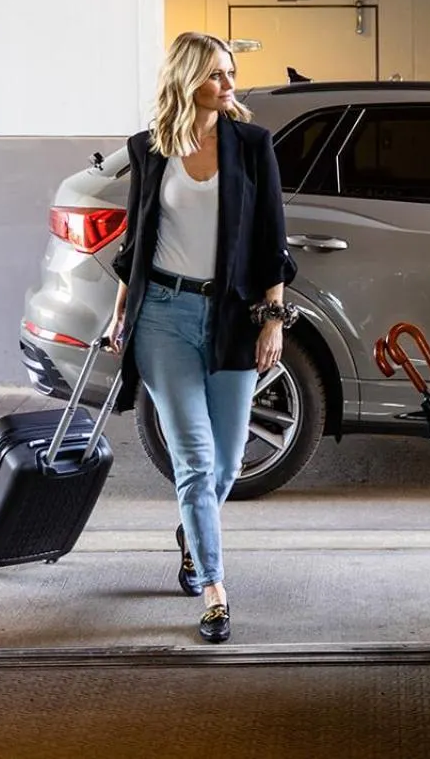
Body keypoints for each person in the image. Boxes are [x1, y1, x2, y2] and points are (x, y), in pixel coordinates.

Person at [103, 31, 296, 644]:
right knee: (194, 458)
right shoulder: (150, 148)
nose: (229, 86)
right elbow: (137, 245)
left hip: (233, 318)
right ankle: (214, 588)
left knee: (230, 459)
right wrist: (120, 314)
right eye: (217, 75)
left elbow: (272, 240)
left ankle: (194, 532)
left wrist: (273, 318)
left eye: (230, 74)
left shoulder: (251, 145)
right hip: (161, 315)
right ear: (187, 79)